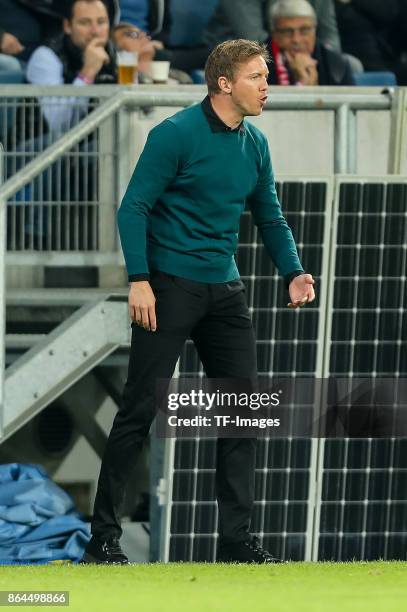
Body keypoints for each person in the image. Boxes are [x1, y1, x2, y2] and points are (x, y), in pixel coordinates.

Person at [80, 38, 315, 565]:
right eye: (258, 76)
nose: (267, 86)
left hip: (225, 291)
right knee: (139, 410)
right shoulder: (175, 134)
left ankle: (236, 543)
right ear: (225, 83)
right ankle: (103, 539)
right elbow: (132, 208)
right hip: (168, 287)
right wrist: (139, 279)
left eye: (267, 76)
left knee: (243, 415)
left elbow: (269, 216)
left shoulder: (254, 143)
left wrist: (294, 270)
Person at [26, 0, 116, 133]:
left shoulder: (114, 54)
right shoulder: (46, 57)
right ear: (67, 26)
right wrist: (87, 73)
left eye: (101, 22)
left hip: (95, 141)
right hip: (40, 144)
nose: (95, 31)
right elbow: (59, 126)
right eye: (85, 23)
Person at [267, 0, 354, 86]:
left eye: (304, 30)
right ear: (275, 34)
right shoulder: (258, 63)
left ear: (314, 31)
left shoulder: (336, 65)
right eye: (287, 32)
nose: (296, 40)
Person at [203, 0, 341, 54]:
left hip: (299, 50)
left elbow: (330, 38)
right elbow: (254, 41)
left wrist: (320, 58)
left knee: (347, 66)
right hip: (235, 52)